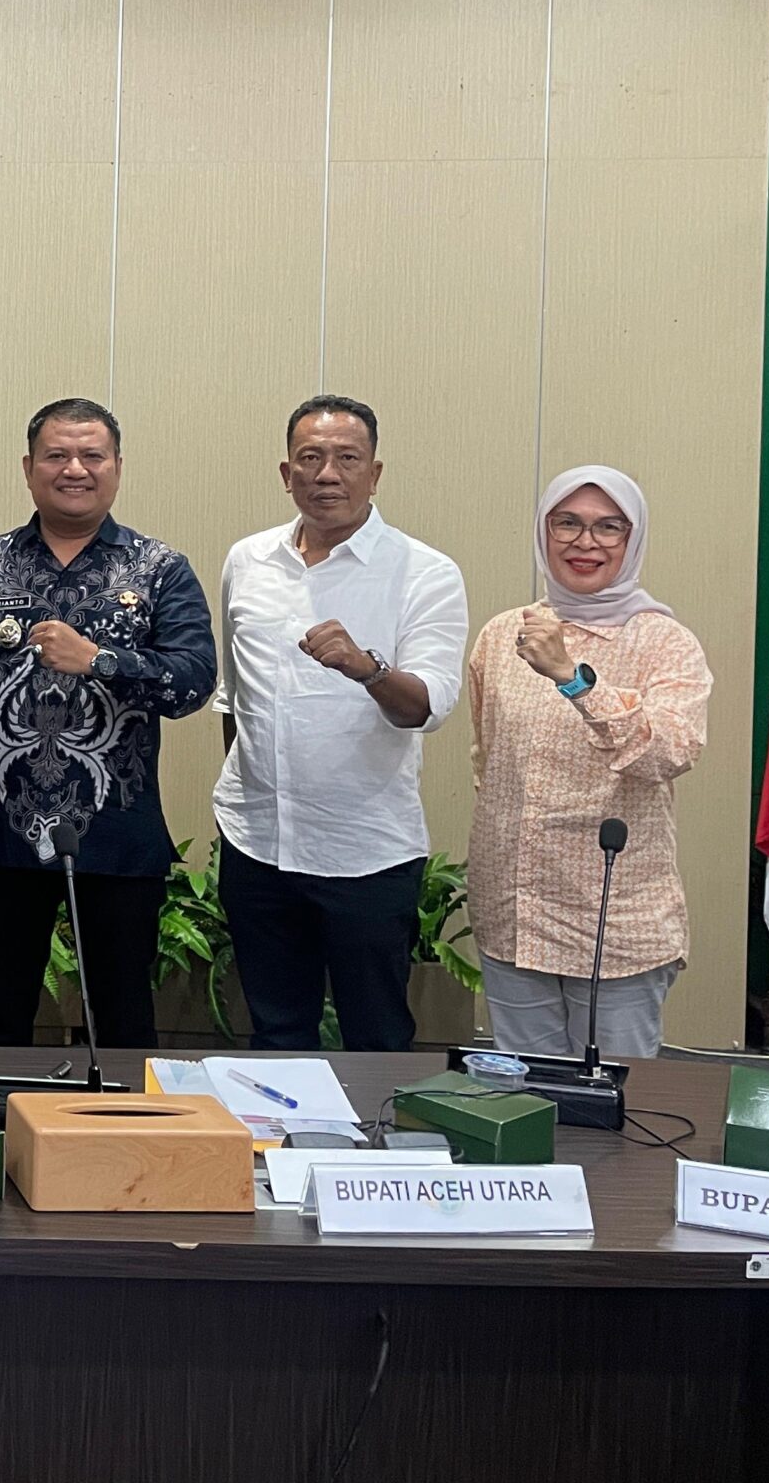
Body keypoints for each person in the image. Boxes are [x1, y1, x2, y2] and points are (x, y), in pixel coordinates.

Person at [0, 399, 218, 1050]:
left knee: (123, 1016)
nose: (74, 469)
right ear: (29, 468)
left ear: (117, 467)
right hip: (3, 837)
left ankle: (120, 1121)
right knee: (0, 1013)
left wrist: (99, 660)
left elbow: (194, 682)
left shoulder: (160, 569)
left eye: (91, 456)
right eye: (56, 455)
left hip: (118, 838)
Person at [215, 395, 467, 1053]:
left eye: (347, 459)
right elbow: (234, 699)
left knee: (376, 1038)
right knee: (276, 1034)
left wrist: (367, 669)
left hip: (365, 852)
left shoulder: (425, 572)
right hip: (257, 845)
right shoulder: (247, 561)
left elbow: (428, 707)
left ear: (374, 474)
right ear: (286, 473)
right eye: (311, 458)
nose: (327, 474)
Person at [467, 468, 708, 1060]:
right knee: (524, 1091)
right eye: (567, 523)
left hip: (613, 922)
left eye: (609, 527)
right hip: (515, 915)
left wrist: (574, 679)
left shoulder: (665, 642)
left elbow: (670, 753)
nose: (585, 542)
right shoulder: (504, 635)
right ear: (543, 531)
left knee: (610, 1098)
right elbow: (488, 760)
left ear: (633, 539)